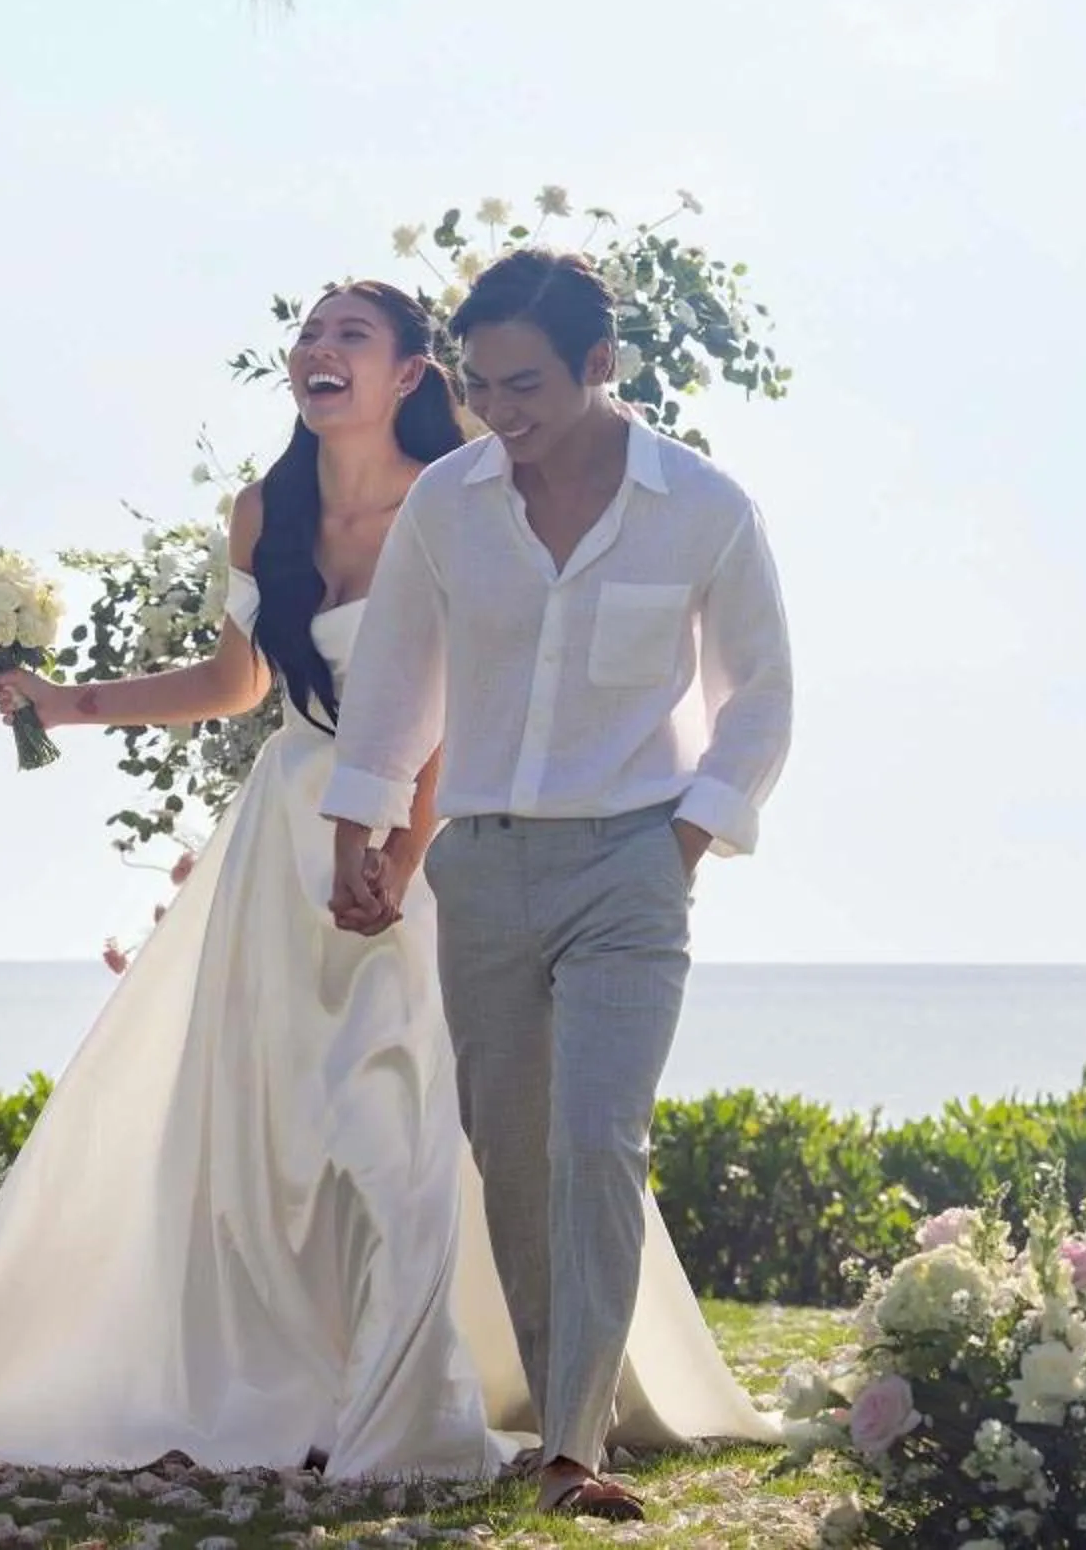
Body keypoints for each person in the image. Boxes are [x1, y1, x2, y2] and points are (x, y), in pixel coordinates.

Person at [0, 280, 767, 1479]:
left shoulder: (529, 500)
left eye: (353, 333)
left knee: (424, 1130)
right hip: (299, 840)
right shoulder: (298, 511)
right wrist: (66, 706)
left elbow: (466, 692)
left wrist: (435, 841)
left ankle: (479, 1413)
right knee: (287, 1131)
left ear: (411, 375)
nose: (318, 350)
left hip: (468, 847)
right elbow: (261, 684)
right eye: (309, 333)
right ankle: (292, 1378)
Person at [323, 249, 794, 1521]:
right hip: (479, 865)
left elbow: (762, 693)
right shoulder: (449, 505)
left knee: (599, 1140)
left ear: (600, 366)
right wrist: (356, 829)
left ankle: (574, 1447)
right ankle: (557, 1397)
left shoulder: (703, 507)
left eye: (523, 383)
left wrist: (684, 842)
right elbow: (395, 679)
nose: (497, 410)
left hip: (633, 863)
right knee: (514, 1155)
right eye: (478, 385)